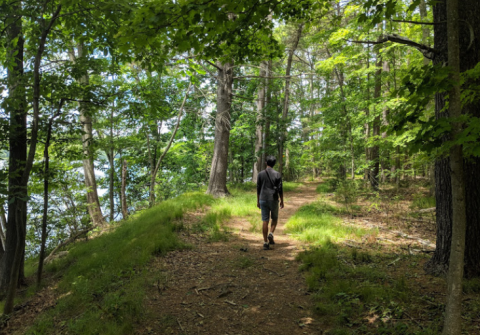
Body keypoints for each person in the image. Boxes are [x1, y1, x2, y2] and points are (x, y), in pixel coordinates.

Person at [256, 155, 284, 250]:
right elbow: (280, 189)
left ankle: (265, 242)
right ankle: (271, 233)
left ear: (266, 163)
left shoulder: (260, 174)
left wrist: (258, 201)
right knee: (274, 218)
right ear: (274, 164)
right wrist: (282, 201)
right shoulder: (277, 174)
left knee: (265, 220)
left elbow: (258, 189)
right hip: (274, 199)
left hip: (263, 199)